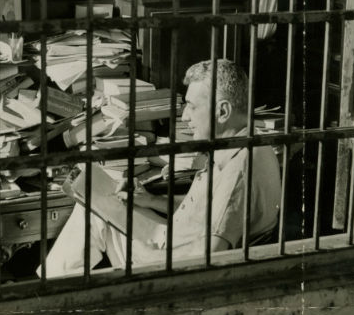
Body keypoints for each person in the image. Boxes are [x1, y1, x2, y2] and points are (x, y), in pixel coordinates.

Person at [40, 59, 281, 278]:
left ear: (223, 111)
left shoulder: (239, 168)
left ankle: (49, 298)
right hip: (173, 238)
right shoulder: (247, 143)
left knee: (93, 214)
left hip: (175, 264)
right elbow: (209, 210)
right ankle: (51, 291)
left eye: (192, 106)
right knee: (98, 206)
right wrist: (151, 201)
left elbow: (211, 255)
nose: (185, 116)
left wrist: (150, 257)